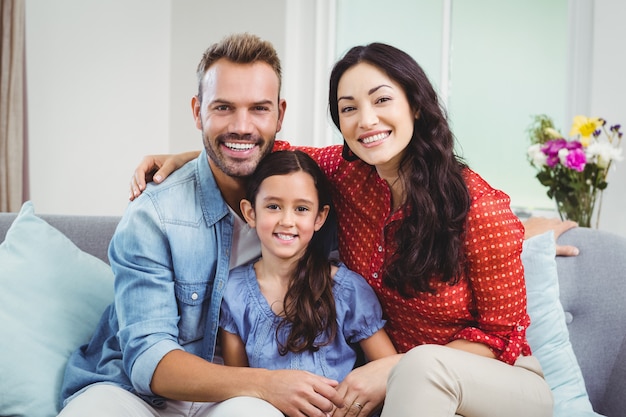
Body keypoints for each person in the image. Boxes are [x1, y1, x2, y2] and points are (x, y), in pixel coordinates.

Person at [129, 41, 567, 417]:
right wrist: (187, 156)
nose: (367, 121)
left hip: (497, 383)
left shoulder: (480, 208)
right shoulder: (348, 176)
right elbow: (263, 151)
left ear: (414, 103)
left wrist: (390, 369)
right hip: (409, 394)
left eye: (381, 100)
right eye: (348, 109)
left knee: (422, 369)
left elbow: (502, 338)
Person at [58, 33, 347, 417]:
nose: (242, 126)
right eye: (224, 108)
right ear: (198, 111)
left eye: (259, 109)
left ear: (279, 113)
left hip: (237, 400)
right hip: (134, 391)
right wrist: (265, 383)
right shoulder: (154, 215)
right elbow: (148, 358)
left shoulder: (312, 199)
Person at [219, 149, 397, 393]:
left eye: (301, 209)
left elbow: (390, 371)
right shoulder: (233, 291)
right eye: (273, 206)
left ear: (319, 217)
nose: (287, 221)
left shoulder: (347, 290)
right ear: (251, 213)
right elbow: (238, 389)